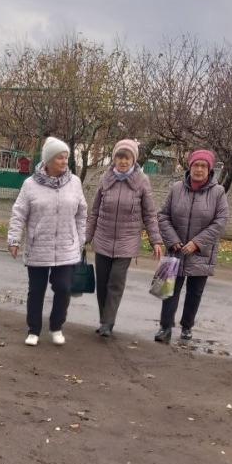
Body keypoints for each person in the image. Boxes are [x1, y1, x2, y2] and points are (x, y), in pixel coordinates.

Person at [8, 137, 87, 347]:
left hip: (66, 247)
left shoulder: (75, 183)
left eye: (66, 157)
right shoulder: (30, 185)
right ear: (49, 160)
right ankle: (33, 329)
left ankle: (56, 326)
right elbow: (19, 213)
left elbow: (81, 213)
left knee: (63, 287)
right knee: (36, 290)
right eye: (60, 157)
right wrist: (14, 239)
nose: (64, 161)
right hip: (38, 247)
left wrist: (80, 239)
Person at [84, 139, 163, 337]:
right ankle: (104, 319)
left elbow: (150, 214)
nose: (123, 161)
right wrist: (86, 236)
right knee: (102, 283)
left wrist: (156, 241)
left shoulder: (142, 181)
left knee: (115, 282)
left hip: (127, 241)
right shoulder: (106, 179)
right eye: (119, 157)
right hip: (103, 238)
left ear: (133, 159)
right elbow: (94, 212)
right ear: (115, 158)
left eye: (127, 157)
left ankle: (108, 323)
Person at [154, 149, 230, 343]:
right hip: (176, 249)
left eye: (203, 166)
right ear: (190, 167)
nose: (199, 169)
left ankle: (187, 327)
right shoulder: (176, 188)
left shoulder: (218, 192)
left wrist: (197, 243)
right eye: (196, 165)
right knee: (168, 289)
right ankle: (165, 327)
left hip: (202, 252)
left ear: (210, 169)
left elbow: (220, 221)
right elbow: (163, 216)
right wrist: (172, 240)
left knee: (195, 292)